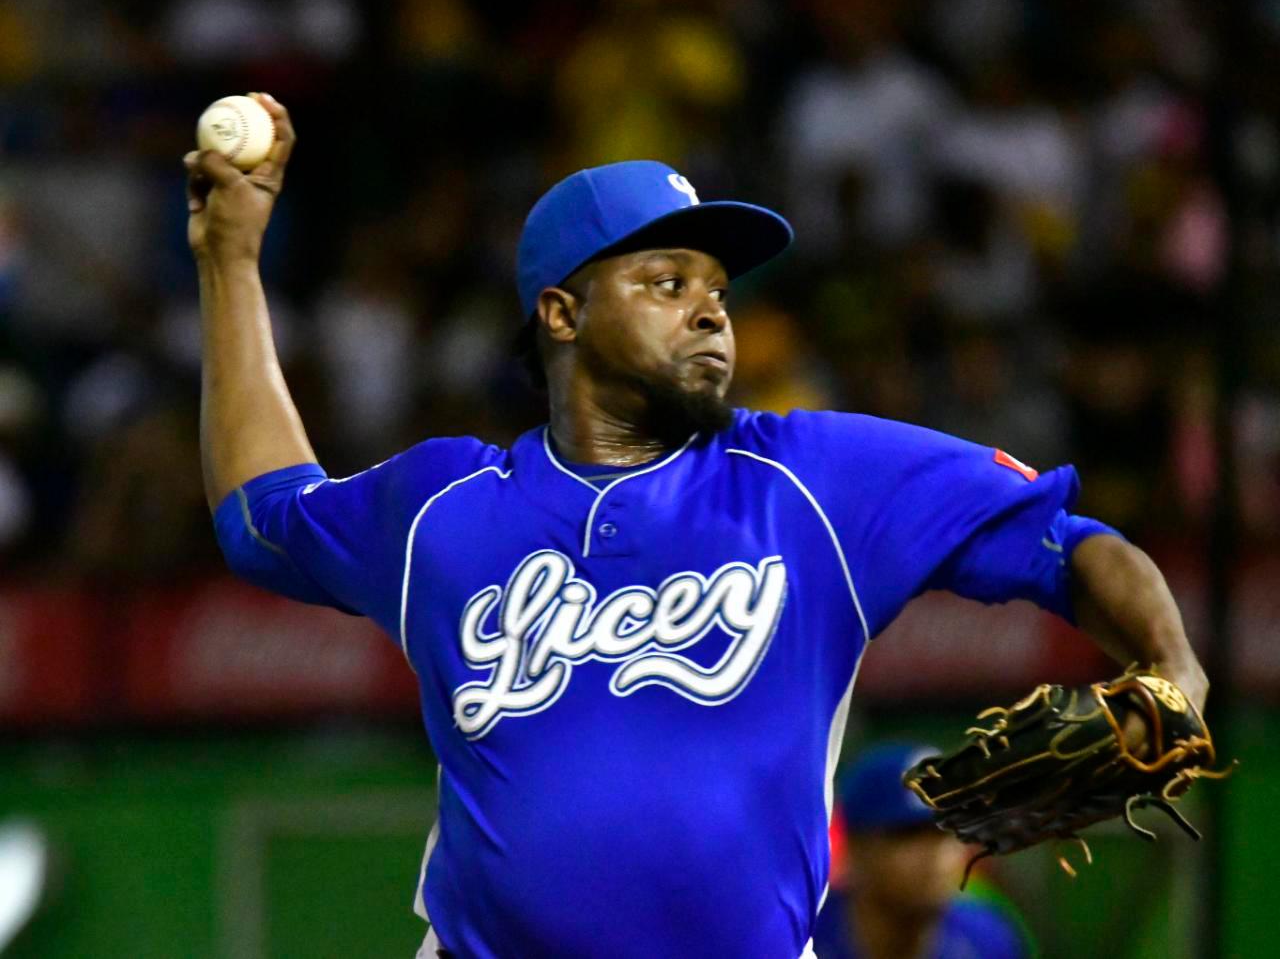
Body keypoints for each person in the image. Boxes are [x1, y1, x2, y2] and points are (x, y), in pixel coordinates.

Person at [185, 94, 1208, 959]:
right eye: (666, 283)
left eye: (716, 289)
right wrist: (230, 258)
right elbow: (262, 516)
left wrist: (1174, 667)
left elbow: (1069, 544)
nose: (711, 309)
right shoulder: (445, 508)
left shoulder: (817, 479)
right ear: (561, 314)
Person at [813, 743, 1033, 959]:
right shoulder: (803, 938)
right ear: (857, 847)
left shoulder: (989, 938)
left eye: (946, 831)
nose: (935, 853)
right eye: (907, 835)